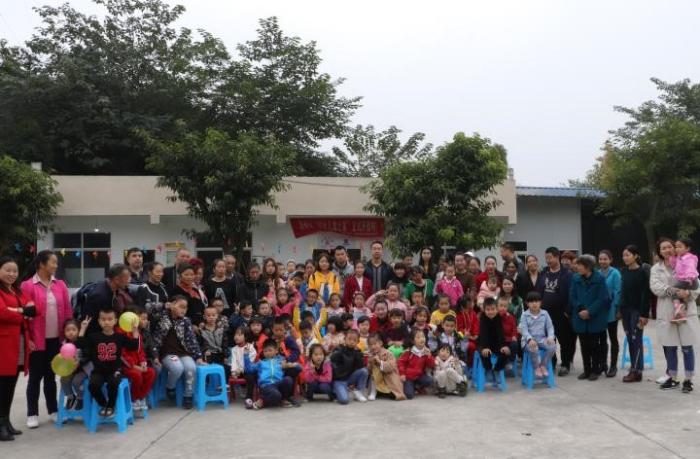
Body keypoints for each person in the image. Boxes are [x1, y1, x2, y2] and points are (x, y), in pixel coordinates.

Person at [20, 250, 72, 429]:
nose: (56, 266)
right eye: (53, 262)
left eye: (56, 262)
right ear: (42, 264)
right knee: (35, 377)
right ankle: (32, 413)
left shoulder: (61, 285)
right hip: (37, 340)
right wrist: (28, 338)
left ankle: (53, 410)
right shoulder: (28, 286)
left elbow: (67, 311)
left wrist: (67, 336)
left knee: (51, 377)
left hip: (55, 340)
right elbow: (24, 316)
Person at [650, 237, 700, 392]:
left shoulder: (686, 261)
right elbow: (655, 287)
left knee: (687, 346)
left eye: (670, 247)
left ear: (676, 248)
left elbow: (697, 285)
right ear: (659, 252)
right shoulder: (656, 269)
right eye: (663, 248)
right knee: (670, 346)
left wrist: (688, 293)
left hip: (685, 309)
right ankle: (673, 378)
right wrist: (673, 290)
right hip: (666, 311)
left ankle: (688, 380)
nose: (667, 250)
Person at [78, 309, 139, 419]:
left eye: (110, 319)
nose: (106, 322)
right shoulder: (94, 337)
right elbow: (81, 344)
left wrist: (135, 331)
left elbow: (133, 346)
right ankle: (103, 404)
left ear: (115, 321)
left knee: (113, 383)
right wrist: (83, 328)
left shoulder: (119, 337)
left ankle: (111, 406)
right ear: (99, 321)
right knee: (93, 385)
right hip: (98, 371)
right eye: (103, 319)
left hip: (114, 370)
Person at [0, 257, 34, 441]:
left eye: (14, 271)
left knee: (10, 384)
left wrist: (17, 310)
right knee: (2, 385)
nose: (12, 274)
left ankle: (5, 421)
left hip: (18, 343)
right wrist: (22, 312)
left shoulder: (16, 290)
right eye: (7, 270)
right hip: (4, 345)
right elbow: (2, 313)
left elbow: (34, 309)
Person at [153, 296, 205, 410]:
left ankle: (188, 396)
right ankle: (170, 387)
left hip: (184, 353)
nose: (183, 310)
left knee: (191, 368)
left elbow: (192, 340)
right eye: (181, 306)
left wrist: (198, 356)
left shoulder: (186, 321)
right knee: (177, 368)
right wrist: (155, 355)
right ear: (171, 305)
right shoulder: (162, 317)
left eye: (185, 308)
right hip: (169, 354)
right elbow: (156, 338)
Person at [570, 255, 610, 381]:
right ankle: (586, 370)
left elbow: (603, 298)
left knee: (594, 345)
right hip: (580, 316)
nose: (577, 267)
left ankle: (595, 370)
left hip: (595, 317)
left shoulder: (599, 278)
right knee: (583, 345)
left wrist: (590, 311)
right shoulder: (575, 278)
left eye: (580, 265)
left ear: (588, 267)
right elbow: (572, 296)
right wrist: (580, 309)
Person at [539, 247, 575, 377]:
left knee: (564, 340)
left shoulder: (567, 274)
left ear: (557, 257)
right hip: (546, 313)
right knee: (549, 340)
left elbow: (572, 294)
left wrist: (567, 311)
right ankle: (552, 362)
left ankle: (565, 364)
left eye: (550, 258)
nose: (548, 260)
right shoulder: (544, 273)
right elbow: (539, 291)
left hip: (561, 313)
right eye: (546, 258)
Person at [619, 245, 650, 383]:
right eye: (624, 255)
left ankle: (635, 370)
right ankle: (637, 370)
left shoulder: (642, 272)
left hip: (637, 311)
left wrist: (644, 314)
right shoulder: (623, 271)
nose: (625, 258)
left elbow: (646, 295)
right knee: (630, 340)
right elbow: (622, 292)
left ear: (636, 256)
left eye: (628, 255)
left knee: (636, 339)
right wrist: (620, 309)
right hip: (625, 310)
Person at [118, 306, 156, 416]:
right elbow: (122, 355)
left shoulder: (137, 333)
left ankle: (140, 397)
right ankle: (134, 399)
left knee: (151, 372)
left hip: (137, 364)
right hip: (125, 366)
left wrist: (143, 362)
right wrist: (134, 366)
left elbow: (140, 351)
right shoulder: (120, 333)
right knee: (137, 375)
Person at [244, 339, 297, 409]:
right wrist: (246, 356)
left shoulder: (281, 361)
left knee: (288, 380)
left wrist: (291, 365)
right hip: (266, 386)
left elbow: (299, 368)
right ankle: (262, 400)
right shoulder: (260, 363)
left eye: (270, 350)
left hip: (278, 384)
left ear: (276, 351)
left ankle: (283, 399)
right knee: (276, 395)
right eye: (265, 351)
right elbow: (249, 369)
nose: (267, 353)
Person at [84, 264, 132, 334]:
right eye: (127, 278)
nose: (129, 280)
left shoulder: (114, 290)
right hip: (97, 336)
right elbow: (93, 323)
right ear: (117, 279)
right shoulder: (100, 296)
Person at [520, 292, 557, 378]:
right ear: (527, 303)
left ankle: (543, 365)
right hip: (528, 341)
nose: (534, 304)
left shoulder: (545, 313)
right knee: (534, 348)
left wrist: (550, 337)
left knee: (553, 346)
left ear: (540, 302)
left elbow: (550, 327)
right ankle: (536, 367)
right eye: (531, 302)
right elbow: (524, 330)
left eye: (537, 301)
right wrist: (530, 339)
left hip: (541, 339)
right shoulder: (524, 315)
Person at [597, 250, 622, 378]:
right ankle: (603, 364)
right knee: (601, 339)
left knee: (613, 339)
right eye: (600, 259)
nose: (602, 261)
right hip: (599, 311)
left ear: (610, 260)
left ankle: (613, 366)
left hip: (611, 310)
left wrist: (617, 308)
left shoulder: (615, 273)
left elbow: (618, 291)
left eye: (605, 259)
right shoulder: (597, 273)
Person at [58, 320, 90, 413]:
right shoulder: (64, 344)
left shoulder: (83, 341)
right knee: (63, 379)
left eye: (73, 329)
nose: (71, 332)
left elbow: (88, 355)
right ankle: (70, 397)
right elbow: (61, 357)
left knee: (77, 381)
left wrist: (80, 362)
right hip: (71, 369)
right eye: (68, 330)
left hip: (83, 369)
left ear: (78, 330)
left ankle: (80, 398)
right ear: (64, 332)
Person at [330, 329, 368, 404]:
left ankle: (358, 392)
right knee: (344, 400)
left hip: (350, 378)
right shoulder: (339, 348)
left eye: (354, 340)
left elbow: (360, 366)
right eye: (349, 339)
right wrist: (341, 349)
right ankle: (338, 390)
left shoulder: (357, 351)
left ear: (357, 342)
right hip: (339, 380)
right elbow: (332, 358)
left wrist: (358, 353)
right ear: (344, 339)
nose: (351, 342)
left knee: (364, 371)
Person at [668, 238, 699, 323]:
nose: (677, 249)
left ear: (687, 248)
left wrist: (689, 278)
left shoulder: (689, 258)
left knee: (672, 290)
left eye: (680, 247)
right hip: (685, 281)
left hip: (690, 280)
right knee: (679, 295)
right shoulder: (679, 257)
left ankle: (679, 309)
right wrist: (672, 256)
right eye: (676, 247)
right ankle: (680, 314)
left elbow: (690, 268)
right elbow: (673, 265)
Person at [367, 333, 406, 401]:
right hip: (377, 380)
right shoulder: (371, 355)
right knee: (374, 369)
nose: (373, 347)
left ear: (381, 343)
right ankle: (374, 390)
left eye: (375, 344)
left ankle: (384, 392)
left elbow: (391, 367)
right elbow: (369, 371)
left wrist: (380, 362)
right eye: (370, 345)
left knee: (393, 394)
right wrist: (370, 363)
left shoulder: (388, 353)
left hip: (389, 379)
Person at [398, 328, 434, 399]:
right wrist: (402, 374)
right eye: (418, 337)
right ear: (413, 341)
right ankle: (411, 386)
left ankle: (417, 387)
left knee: (430, 380)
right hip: (408, 377)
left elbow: (431, 365)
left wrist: (429, 356)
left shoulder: (426, 351)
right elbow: (401, 363)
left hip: (419, 376)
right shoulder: (409, 351)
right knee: (409, 395)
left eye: (423, 336)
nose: (422, 339)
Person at [478, 297, 510, 374]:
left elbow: (500, 333)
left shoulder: (498, 318)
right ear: (484, 310)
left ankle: (496, 369)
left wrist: (503, 346)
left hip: (496, 344)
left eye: (493, 309)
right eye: (488, 310)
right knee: (485, 354)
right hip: (484, 344)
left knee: (505, 352)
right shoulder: (483, 318)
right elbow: (483, 334)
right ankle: (488, 369)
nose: (491, 312)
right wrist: (485, 348)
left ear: (497, 309)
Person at [199, 305, 230, 380]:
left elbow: (225, 343)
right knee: (208, 369)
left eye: (213, 315)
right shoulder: (202, 330)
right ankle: (208, 382)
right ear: (204, 317)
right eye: (208, 315)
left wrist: (225, 355)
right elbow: (201, 343)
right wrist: (205, 350)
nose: (211, 317)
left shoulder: (221, 329)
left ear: (217, 316)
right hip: (209, 354)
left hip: (220, 353)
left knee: (227, 368)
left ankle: (224, 384)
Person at [135, 261, 169, 329]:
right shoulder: (143, 288)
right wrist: (162, 305)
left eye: (162, 272)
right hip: (148, 325)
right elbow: (141, 308)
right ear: (149, 272)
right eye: (158, 272)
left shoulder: (163, 287)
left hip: (163, 326)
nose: (160, 274)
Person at [172, 263, 206, 328]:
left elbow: (201, 309)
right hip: (184, 326)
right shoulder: (176, 291)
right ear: (180, 276)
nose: (189, 277)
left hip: (199, 326)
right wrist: (191, 325)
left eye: (192, 274)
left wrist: (201, 322)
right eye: (186, 275)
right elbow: (178, 312)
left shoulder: (195, 290)